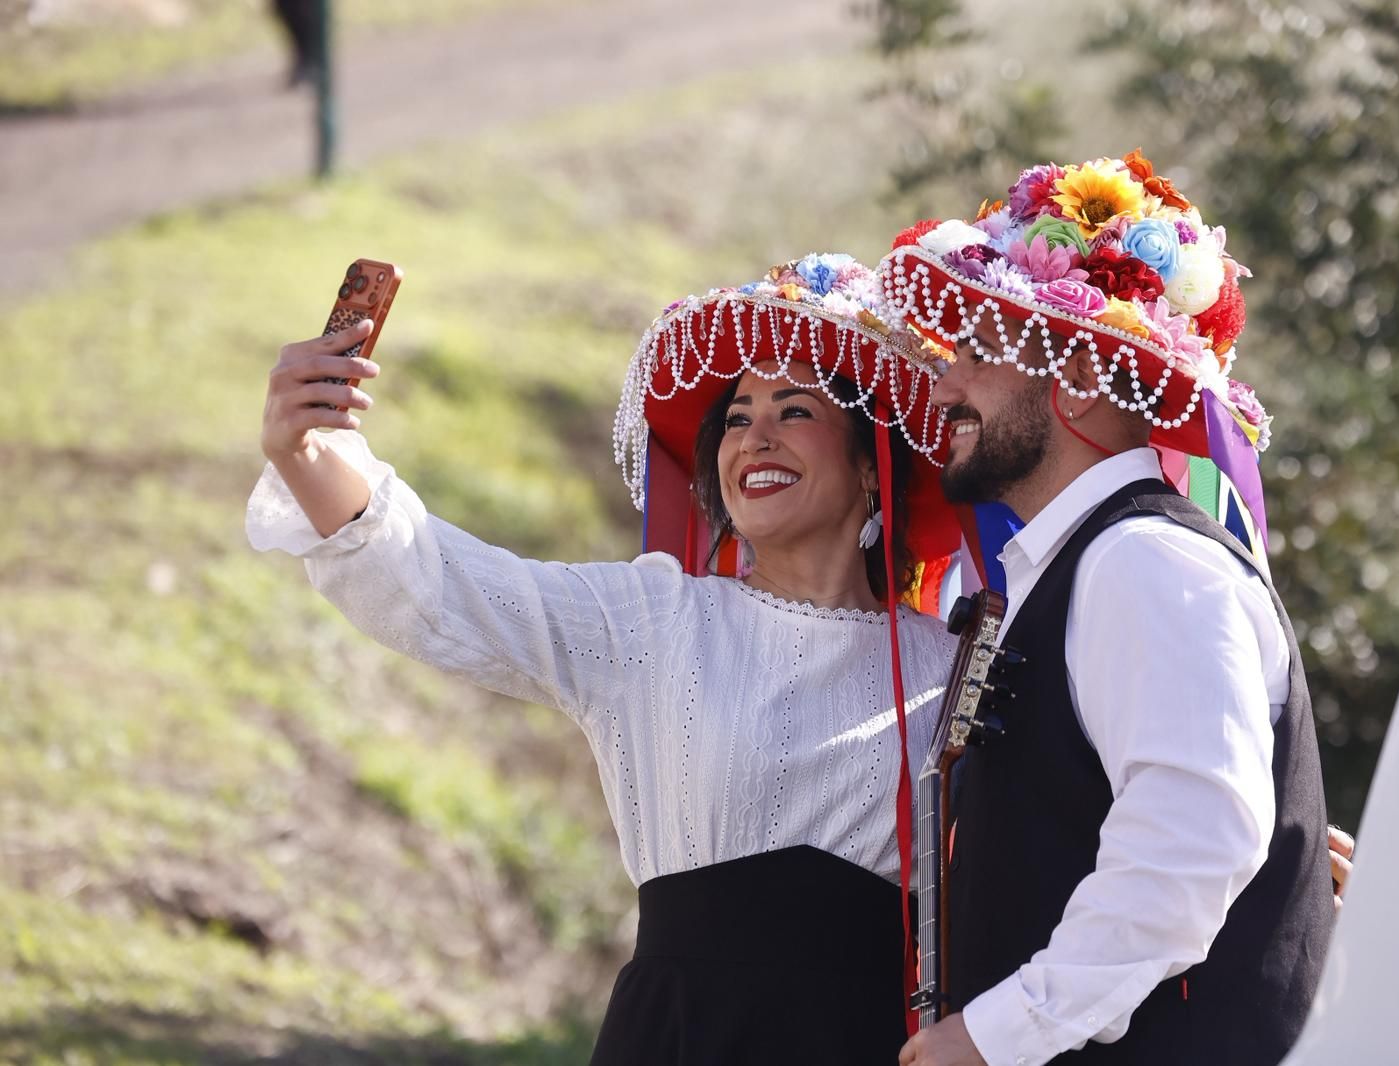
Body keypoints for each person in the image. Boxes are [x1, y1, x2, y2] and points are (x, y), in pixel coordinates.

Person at [247, 253, 964, 1065]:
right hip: (680, 1038)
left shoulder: (951, 667)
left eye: (794, 410)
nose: (754, 438)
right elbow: (449, 585)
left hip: (868, 1039)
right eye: (735, 419)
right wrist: (304, 451)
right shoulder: (654, 620)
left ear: (871, 463)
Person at [882, 153, 1336, 1065]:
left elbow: (1193, 841)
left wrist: (994, 1035)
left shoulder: (1143, 561)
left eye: (978, 354)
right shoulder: (1097, 562)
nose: (943, 389)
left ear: (1080, 379)